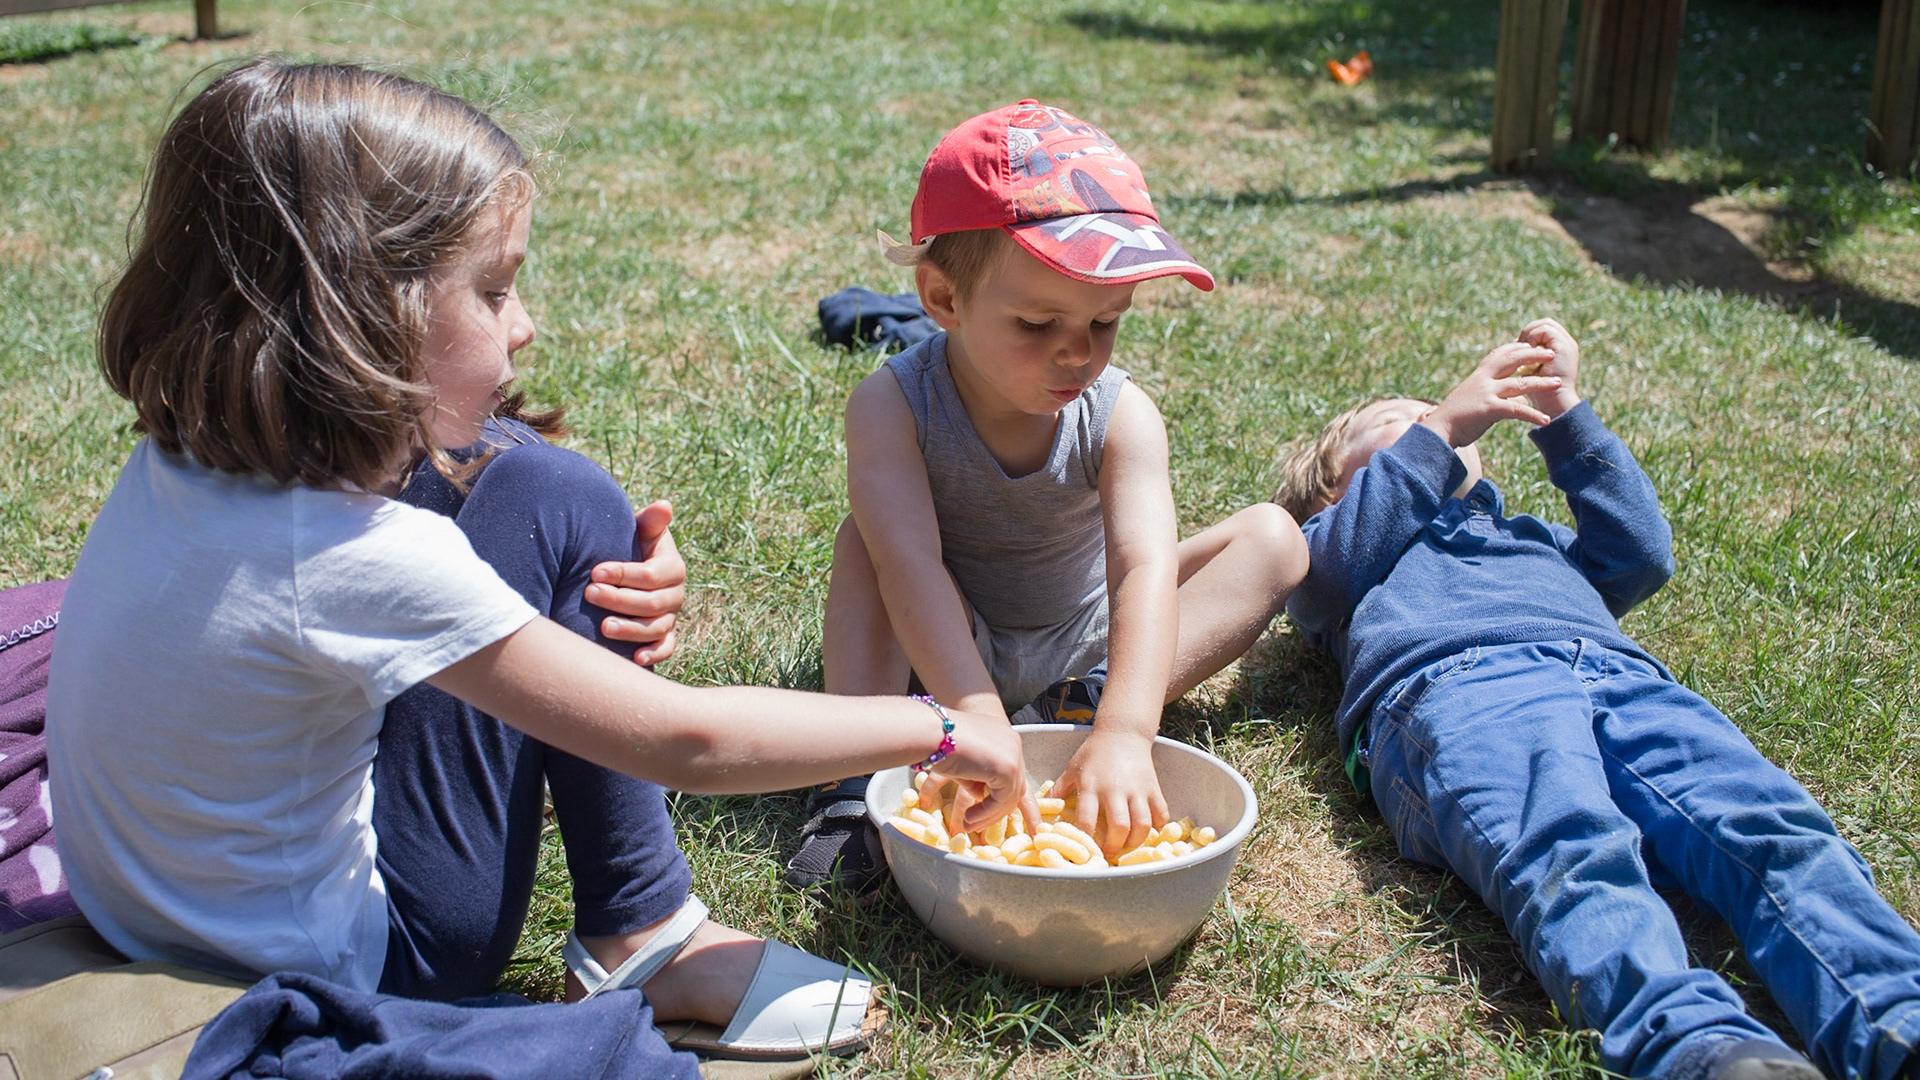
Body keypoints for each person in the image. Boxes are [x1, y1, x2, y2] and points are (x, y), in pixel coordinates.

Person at [42, 59, 1031, 1069]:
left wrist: (589, 544)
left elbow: (491, 481)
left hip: (154, 919)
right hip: (361, 961)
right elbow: (685, 740)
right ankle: (646, 928)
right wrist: (944, 726)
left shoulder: (187, 461)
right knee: (556, 493)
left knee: (546, 490)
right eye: (493, 289)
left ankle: (639, 921)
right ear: (365, 310)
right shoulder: (347, 557)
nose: (525, 323)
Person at [1275, 319, 1920, 1080]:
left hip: (1626, 680)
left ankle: (1894, 1012)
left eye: (1433, 414)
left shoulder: (1529, 536)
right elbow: (1319, 582)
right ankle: (1697, 1049)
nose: (1433, 416)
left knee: (1771, 826)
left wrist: (1566, 416)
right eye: (1403, 422)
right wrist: (1441, 429)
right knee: (1569, 852)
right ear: (1331, 486)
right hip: (1458, 689)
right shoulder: (1335, 545)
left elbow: (1639, 557)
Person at [788, 100, 1309, 891]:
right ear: (944, 301)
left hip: (1087, 639)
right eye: (1037, 324)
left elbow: (1142, 569)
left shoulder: (1122, 414)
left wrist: (1126, 728)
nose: (1077, 353)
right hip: (945, 637)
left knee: (1274, 537)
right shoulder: (892, 406)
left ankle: (1073, 712)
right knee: (863, 544)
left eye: (1106, 322)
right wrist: (972, 713)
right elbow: (910, 567)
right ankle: (855, 784)